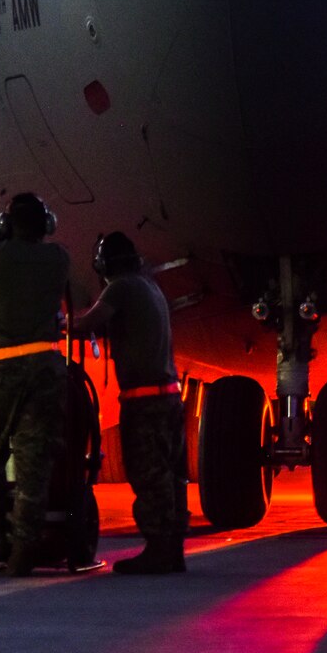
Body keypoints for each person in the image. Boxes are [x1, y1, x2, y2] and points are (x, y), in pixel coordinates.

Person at [0, 192, 72, 576]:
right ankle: (25, 545)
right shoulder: (59, 259)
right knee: (34, 462)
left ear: (8, 225)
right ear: (46, 226)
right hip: (42, 367)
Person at [74, 230, 187, 574]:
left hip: (144, 400)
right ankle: (172, 548)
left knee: (148, 474)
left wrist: (58, 325)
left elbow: (89, 323)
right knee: (168, 474)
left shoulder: (121, 287)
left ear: (103, 265)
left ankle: (158, 549)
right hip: (168, 395)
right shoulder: (150, 285)